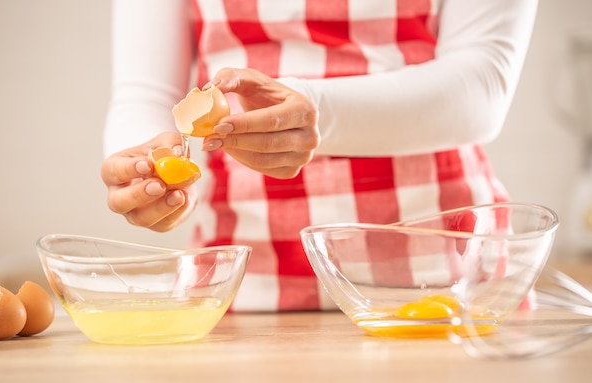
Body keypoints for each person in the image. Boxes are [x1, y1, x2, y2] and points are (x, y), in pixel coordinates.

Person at [101, 0, 538, 311]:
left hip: (446, 278)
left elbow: (482, 85)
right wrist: (143, 164)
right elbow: (146, 93)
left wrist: (316, 109)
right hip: (242, 285)